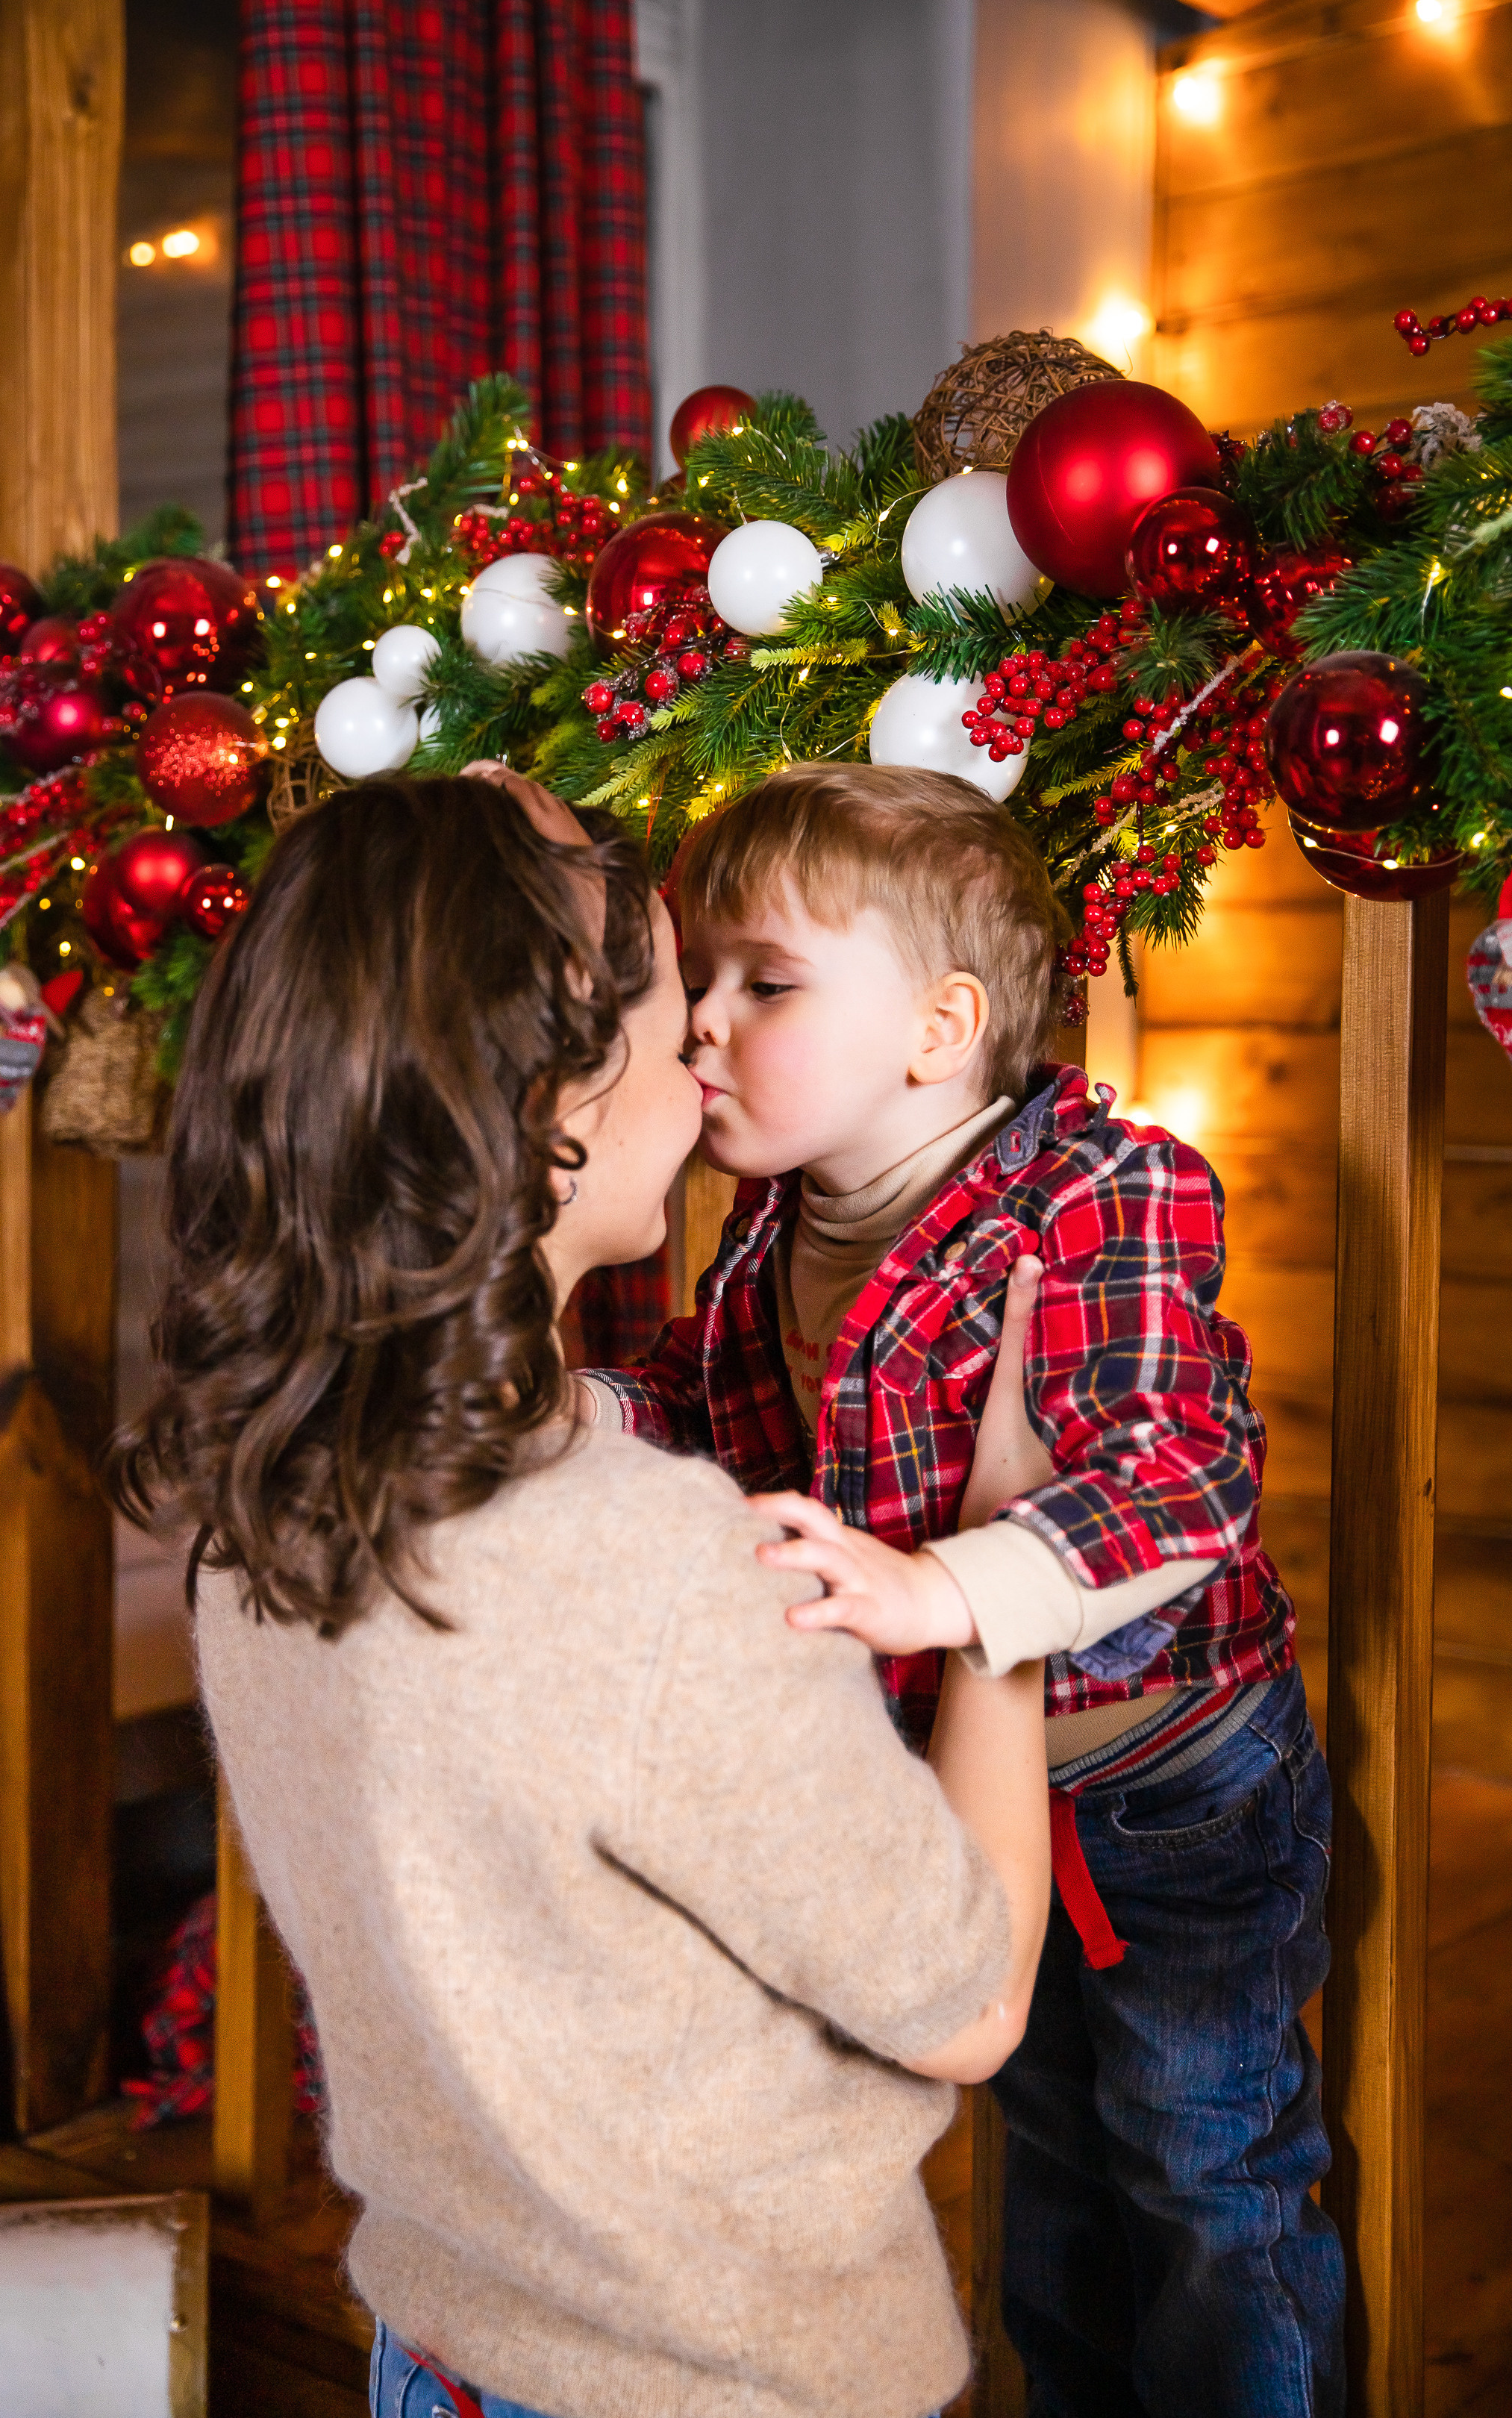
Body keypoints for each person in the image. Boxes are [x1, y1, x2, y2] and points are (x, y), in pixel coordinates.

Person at [112, 766, 1052, 2418]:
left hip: (446, 2351)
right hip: (717, 2378)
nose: (706, 1050)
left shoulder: (261, 1506)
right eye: (678, 995)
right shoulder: (640, 1565)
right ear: (551, 1097)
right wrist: (998, 1577)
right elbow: (966, 2004)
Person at [576, 760, 1346, 2418]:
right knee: (1052, 2176)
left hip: (1173, 1784)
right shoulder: (771, 1226)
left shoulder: (1096, 1197)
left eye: (761, 984)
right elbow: (715, 1425)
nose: (700, 1024)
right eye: (697, 980)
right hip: (970, 1795)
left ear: (937, 1032)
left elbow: (1183, 1476)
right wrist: (576, 1420)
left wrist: (953, 1587)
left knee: (1207, 2171)